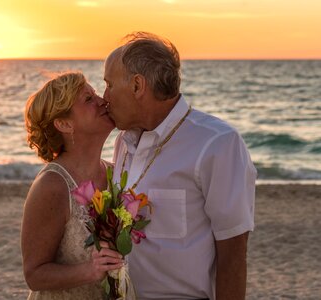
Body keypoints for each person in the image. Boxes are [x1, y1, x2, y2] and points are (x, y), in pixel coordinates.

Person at [103, 32, 257, 300]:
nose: (104, 97)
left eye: (109, 85)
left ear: (138, 86)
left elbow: (233, 253)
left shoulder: (217, 143)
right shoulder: (124, 142)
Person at [21, 71, 123, 300]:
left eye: (96, 94)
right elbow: (34, 275)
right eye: (88, 99)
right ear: (64, 124)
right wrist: (90, 271)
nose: (102, 101)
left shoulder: (117, 173)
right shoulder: (52, 186)